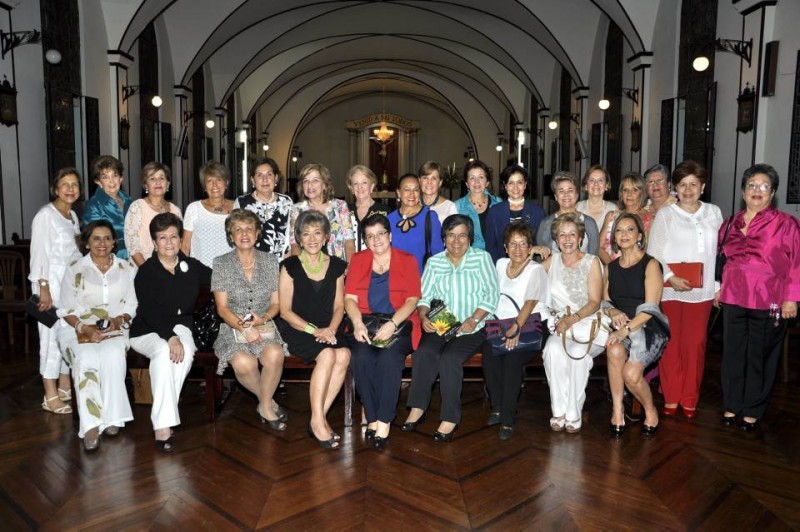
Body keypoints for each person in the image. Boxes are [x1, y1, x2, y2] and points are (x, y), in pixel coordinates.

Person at [401, 214, 499, 442]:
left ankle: (450, 418)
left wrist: (474, 319)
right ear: (443, 238)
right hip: (442, 323)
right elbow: (424, 297)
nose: (456, 241)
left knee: (450, 358)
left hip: (473, 325)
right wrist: (424, 316)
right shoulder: (435, 262)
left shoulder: (482, 258)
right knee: (424, 352)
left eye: (462, 235)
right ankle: (417, 407)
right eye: (451, 235)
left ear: (470, 238)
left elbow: (492, 294)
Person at [718, 164, 800, 431]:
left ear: (772, 192)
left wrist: (792, 298)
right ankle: (732, 403)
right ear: (743, 191)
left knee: (760, 355)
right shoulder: (730, 223)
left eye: (764, 186)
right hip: (732, 296)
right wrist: (718, 287)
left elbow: (796, 264)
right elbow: (721, 259)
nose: (757, 191)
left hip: (770, 299)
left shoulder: (786, 224)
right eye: (752, 185)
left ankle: (753, 408)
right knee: (732, 353)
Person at [129, 213, 211, 452]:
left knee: (184, 353)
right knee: (166, 351)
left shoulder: (191, 266)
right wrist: (170, 337)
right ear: (154, 242)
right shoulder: (146, 271)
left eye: (173, 236)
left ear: (180, 238)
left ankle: (163, 417)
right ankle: (163, 427)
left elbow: (220, 278)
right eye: (162, 238)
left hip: (181, 326)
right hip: (147, 329)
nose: (168, 242)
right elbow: (148, 310)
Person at [647, 161, 722, 417]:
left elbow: (720, 253)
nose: (688, 190)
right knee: (672, 344)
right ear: (675, 188)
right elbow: (653, 253)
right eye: (682, 185)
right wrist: (671, 277)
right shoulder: (666, 215)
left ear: (703, 186)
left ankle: (690, 397)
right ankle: (671, 396)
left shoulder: (714, 213)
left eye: (693, 184)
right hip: (671, 289)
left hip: (702, 292)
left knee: (696, 344)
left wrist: (717, 286)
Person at [57, 221, 137, 451]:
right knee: (87, 358)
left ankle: (113, 419)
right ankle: (91, 425)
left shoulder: (126, 268)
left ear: (114, 242)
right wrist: (85, 328)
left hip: (113, 328)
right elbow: (65, 309)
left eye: (107, 238)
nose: (102, 243)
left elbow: (132, 303)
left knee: (113, 355)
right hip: (76, 329)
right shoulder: (75, 268)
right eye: (96, 238)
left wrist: (117, 321)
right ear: (87, 242)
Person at [344, 214, 421, 449]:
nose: (376, 239)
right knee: (360, 357)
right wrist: (357, 323)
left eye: (380, 234)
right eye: (370, 236)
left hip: (399, 322)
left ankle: (385, 419)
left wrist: (392, 325)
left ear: (390, 235)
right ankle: (373, 415)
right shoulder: (358, 260)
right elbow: (349, 298)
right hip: (364, 323)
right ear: (364, 240)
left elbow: (412, 299)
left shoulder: (407, 260)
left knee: (389, 358)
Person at [279, 210, 351, 449]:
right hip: (298, 328)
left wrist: (330, 328)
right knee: (329, 354)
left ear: (326, 237)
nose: (311, 238)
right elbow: (285, 311)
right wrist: (314, 330)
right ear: (298, 238)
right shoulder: (289, 266)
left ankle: (317, 416)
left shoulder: (338, 266)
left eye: (317, 233)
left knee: (344, 354)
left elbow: (340, 305)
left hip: (328, 327)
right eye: (306, 233)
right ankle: (319, 422)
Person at [212, 209, 287, 430]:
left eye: (249, 229)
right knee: (245, 362)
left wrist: (262, 318)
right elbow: (222, 308)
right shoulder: (221, 263)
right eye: (238, 229)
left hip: (264, 326)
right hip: (232, 328)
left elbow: (276, 304)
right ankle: (269, 403)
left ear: (257, 233)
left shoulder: (271, 261)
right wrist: (243, 327)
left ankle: (263, 405)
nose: (244, 234)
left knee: (274, 354)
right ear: (231, 235)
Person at [604, 213, 669, 436]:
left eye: (630, 230)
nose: (624, 235)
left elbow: (651, 308)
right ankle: (617, 410)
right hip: (622, 326)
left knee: (631, 375)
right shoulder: (610, 268)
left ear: (640, 235)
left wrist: (625, 330)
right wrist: (613, 311)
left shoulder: (650, 265)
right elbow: (605, 301)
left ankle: (650, 410)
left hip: (648, 327)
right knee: (613, 349)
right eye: (619, 231)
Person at [482, 222, 548, 439]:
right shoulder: (500, 264)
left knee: (511, 362)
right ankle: (497, 407)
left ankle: (508, 418)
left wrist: (516, 327)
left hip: (528, 326)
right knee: (490, 358)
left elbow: (530, 303)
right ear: (505, 246)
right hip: (499, 325)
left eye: (523, 244)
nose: (518, 249)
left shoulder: (535, 270)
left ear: (531, 248)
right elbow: (492, 293)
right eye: (513, 244)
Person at [539, 214, 604, 433]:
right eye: (562, 235)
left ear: (580, 238)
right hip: (561, 325)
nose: (566, 239)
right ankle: (558, 409)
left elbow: (595, 302)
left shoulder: (592, 262)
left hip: (588, 323)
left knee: (577, 356)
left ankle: (573, 411)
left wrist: (573, 319)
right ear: (556, 240)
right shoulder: (551, 262)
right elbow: (530, 280)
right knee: (551, 351)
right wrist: (531, 253)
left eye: (572, 234)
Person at [29, 168, 83, 415]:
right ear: (55, 188)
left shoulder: (72, 216)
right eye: (65, 184)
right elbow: (39, 254)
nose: (70, 188)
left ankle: (64, 385)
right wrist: (43, 288)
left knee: (67, 334)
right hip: (48, 283)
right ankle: (49, 394)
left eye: (74, 184)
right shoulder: (46, 215)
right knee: (50, 339)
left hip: (68, 285)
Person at [289, 163, 355, 262]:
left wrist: (351, 266)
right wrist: (299, 268)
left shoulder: (340, 206)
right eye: (306, 181)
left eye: (315, 180)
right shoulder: (296, 210)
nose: (310, 185)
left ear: (324, 184)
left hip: (338, 267)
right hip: (308, 267)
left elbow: (349, 241)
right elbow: (294, 244)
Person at [485, 164, 548, 262]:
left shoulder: (538, 212)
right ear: (505, 186)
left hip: (529, 266)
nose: (515, 187)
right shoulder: (495, 211)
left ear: (525, 185)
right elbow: (491, 246)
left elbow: (541, 244)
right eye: (511, 183)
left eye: (519, 182)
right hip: (502, 266)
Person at [124, 162, 182, 267]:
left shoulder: (175, 210)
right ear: (145, 185)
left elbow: (179, 243)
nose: (158, 182)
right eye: (152, 179)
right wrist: (149, 272)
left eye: (161, 178)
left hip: (171, 269)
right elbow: (132, 247)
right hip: (143, 269)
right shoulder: (137, 208)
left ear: (168, 184)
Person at [235, 158, 295, 258]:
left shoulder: (286, 201)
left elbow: (293, 235)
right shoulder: (242, 203)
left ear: (276, 178)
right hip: (252, 263)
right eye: (259, 175)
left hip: (281, 262)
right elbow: (236, 234)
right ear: (252, 180)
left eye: (269, 174)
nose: (265, 179)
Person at [386, 173, 444, 274]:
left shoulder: (429, 217)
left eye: (416, 190)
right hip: (396, 280)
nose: (412, 194)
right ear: (399, 193)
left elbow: (438, 254)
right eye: (407, 189)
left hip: (422, 281)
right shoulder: (389, 220)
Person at [181, 161, 234, 267]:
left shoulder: (237, 207)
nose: (214, 185)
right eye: (209, 181)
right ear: (204, 186)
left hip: (230, 270)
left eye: (219, 179)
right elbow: (185, 245)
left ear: (226, 183)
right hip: (200, 272)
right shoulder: (194, 209)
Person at [536, 171, 600, 255]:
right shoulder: (546, 223)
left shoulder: (589, 222)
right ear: (556, 196)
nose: (566, 194)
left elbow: (594, 255)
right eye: (561, 191)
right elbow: (542, 256)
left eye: (570, 190)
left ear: (577, 195)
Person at [598, 172, 654, 265]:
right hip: (611, 270)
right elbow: (598, 247)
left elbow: (651, 252)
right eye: (625, 190)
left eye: (634, 190)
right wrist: (613, 267)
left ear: (642, 192)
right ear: (621, 194)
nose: (629, 194)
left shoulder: (651, 220)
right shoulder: (611, 216)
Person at [83, 155, 133, 259]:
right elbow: (94, 240)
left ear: (121, 178)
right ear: (98, 182)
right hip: (110, 257)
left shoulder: (129, 201)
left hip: (135, 255)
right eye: (105, 177)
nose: (111, 181)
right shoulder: (93, 205)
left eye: (114, 175)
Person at [454, 160, 501, 250]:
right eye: (472, 178)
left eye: (481, 177)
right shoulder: (457, 206)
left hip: (495, 256)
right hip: (471, 257)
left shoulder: (498, 203)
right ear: (467, 184)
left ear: (487, 182)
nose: (477, 182)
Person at [346, 165, 389, 253]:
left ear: (372, 186)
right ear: (351, 189)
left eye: (364, 182)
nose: (360, 187)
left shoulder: (385, 211)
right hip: (350, 263)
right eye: (355, 183)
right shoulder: (344, 211)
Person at [576, 164, 616, 231]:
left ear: (606, 186)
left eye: (600, 180)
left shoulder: (614, 209)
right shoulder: (577, 208)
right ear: (586, 186)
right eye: (592, 180)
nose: (596, 184)